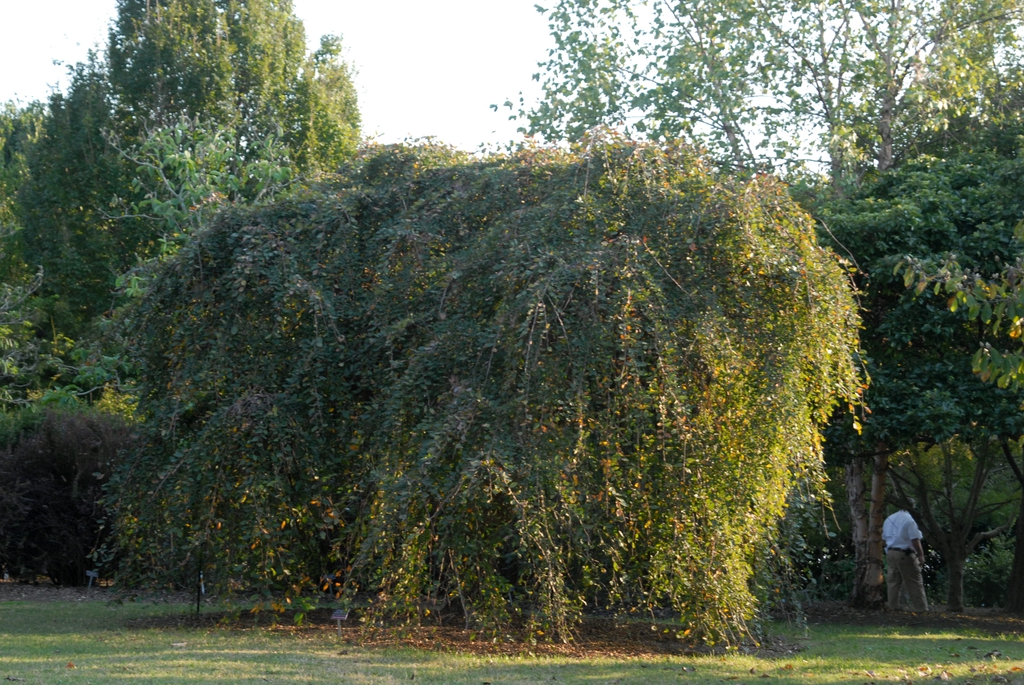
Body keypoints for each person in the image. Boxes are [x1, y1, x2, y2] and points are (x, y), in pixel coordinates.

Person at [883, 509, 928, 612]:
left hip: (891, 552)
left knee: (893, 581)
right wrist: (920, 554)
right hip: (905, 553)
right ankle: (921, 608)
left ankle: (893, 606)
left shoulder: (889, 519)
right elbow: (915, 539)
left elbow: (884, 540)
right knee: (914, 581)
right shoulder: (909, 520)